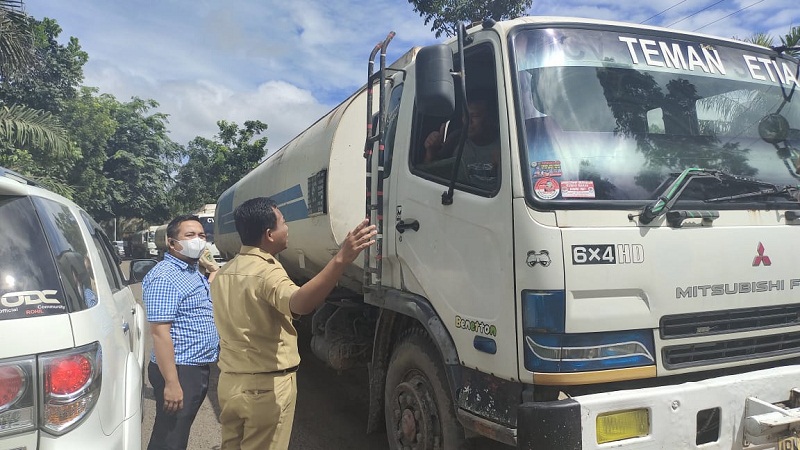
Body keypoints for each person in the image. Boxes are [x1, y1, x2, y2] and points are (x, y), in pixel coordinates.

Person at [211, 197, 376, 450]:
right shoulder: (266, 271)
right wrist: (341, 259)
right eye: (283, 223)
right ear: (269, 234)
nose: (287, 228)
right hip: (264, 390)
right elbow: (299, 303)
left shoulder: (225, 272)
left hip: (231, 384)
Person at [142, 214, 220, 450]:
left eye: (202, 235)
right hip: (179, 369)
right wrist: (172, 383)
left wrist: (213, 269)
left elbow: (206, 290)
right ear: (171, 242)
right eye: (190, 235)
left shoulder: (191, 270)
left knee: (176, 432)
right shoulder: (165, 277)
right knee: (170, 438)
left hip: (194, 368)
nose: (198, 240)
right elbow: (160, 334)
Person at [422, 92, 501, 188]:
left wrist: (502, 168)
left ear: (490, 119)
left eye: (475, 116)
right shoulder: (456, 140)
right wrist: (431, 151)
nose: (468, 121)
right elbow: (429, 176)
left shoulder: (505, 146)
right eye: (465, 116)